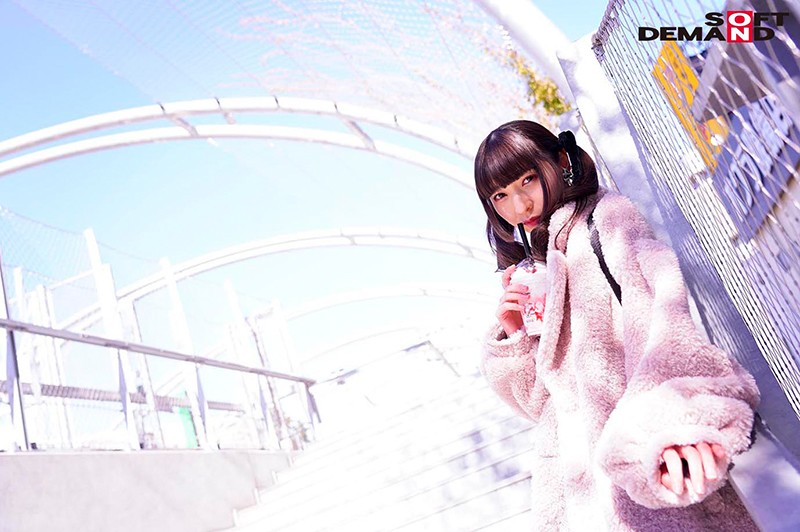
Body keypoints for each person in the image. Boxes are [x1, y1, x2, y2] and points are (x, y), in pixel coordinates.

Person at [474, 120, 760, 531]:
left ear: (560, 162)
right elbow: (543, 404)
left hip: (638, 471)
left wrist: (674, 417)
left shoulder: (602, 220)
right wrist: (514, 334)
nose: (519, 206)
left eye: (527, 180)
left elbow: (661, 306)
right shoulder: (540, 265)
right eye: (500, 195)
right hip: (582, 498)